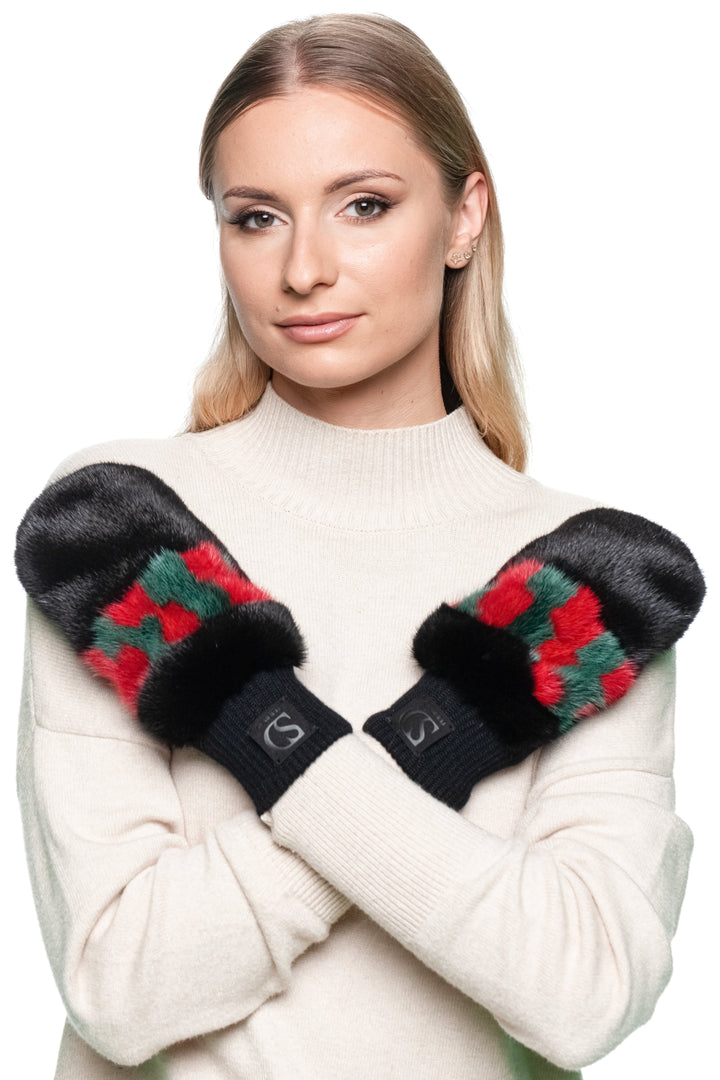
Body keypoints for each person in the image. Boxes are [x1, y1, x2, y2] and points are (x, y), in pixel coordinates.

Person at [15, 13, 701, 1079]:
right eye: (256, 218)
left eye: (365, 206)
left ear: (465, 216)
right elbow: (120, 984)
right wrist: (460, 727)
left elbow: (586, 993)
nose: (304, 269)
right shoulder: (127, 526)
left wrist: (257, 724)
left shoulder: (579, 575)